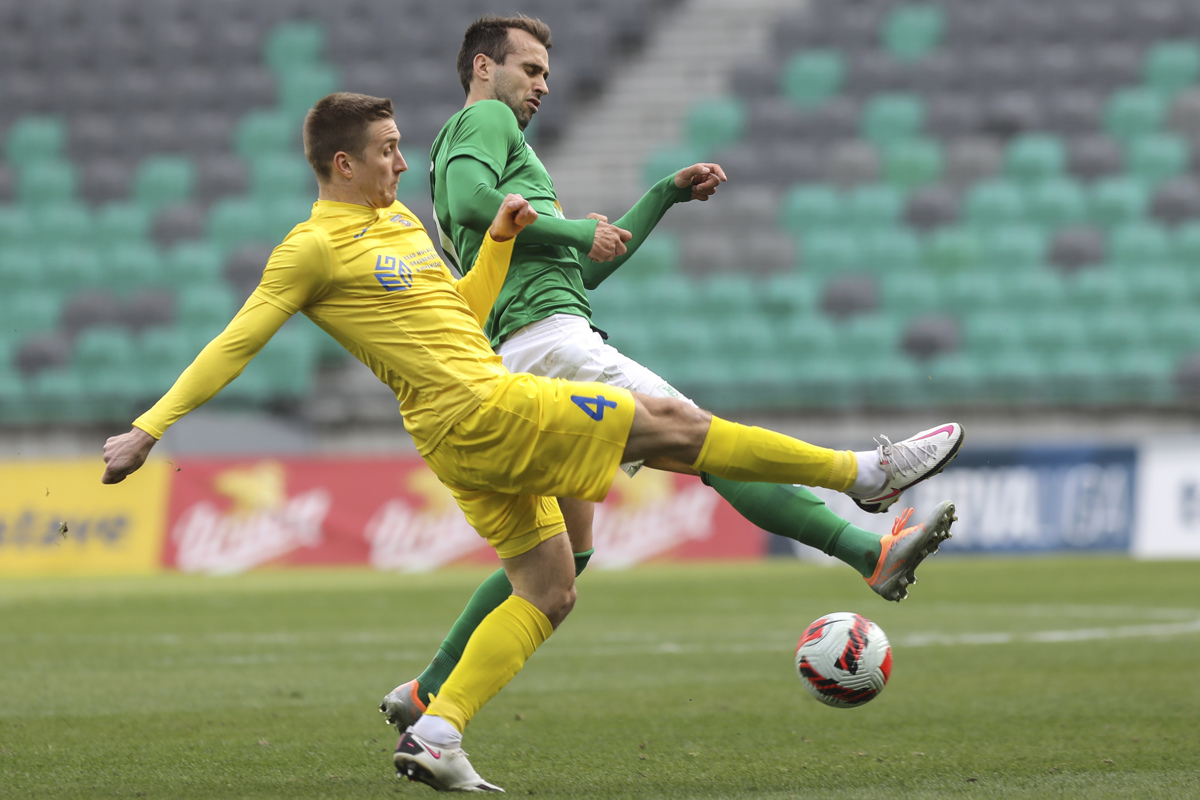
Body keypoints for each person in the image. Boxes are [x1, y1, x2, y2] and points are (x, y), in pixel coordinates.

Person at [100, 91, 961, 792]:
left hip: (464, 425)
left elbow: (459, 318)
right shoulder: (312, 248)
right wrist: (150, 428)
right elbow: (237, 340)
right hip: (481, 414)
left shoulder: (398, 228)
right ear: (343, 163)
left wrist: (500, 247)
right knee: (678, 430)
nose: (405, 161)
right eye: (390, 149)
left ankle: (437, 729)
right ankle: (865, 474)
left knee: (550, 587)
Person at [380, 13, 964, 746]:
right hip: (550, 346)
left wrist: (661, 195)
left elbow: (581, 268)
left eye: (547, 75)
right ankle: (866, 517)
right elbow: (476, 205)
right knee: (699, 437)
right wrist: (569, 228)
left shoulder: (495, 148)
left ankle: (427, 690)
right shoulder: (486, 123)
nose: (541, 86)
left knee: (562, 561)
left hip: (519, 357)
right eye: (529, 69)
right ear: (482, 69)